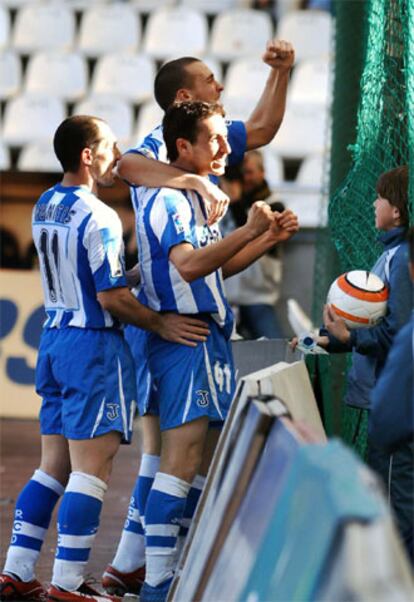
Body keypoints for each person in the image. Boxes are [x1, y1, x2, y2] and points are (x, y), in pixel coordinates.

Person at [102, 41, 295, 596]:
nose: (222, 90)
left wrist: (283, 74)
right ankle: (156, 580)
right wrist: (195, 183)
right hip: (177, 329)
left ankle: (141, 566)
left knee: (176, 458)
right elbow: (128, 167)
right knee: (171, 459)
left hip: (196, 329)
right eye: (213, 81)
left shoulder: (197, 161)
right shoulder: (163, 175)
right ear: (185, 102)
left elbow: (261, 130)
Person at [0, 115, 210, 602]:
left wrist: (136, 274)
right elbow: (110, 297)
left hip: (53, 341)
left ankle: (17, 570)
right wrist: (161, 323)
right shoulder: (101, 216)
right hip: (93, 347)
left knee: (51, 466)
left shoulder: (45, 204)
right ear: (88, 156)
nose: (120, 156)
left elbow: (92, 277)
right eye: (111, 147)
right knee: (91, 471)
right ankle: (69, 583)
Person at [297, 166, 412, 561]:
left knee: (398, 512)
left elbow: (398, 334)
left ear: (397, 210)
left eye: (379, 197)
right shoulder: (390, 255)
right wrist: (323, 342)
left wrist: (352, 338)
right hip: (386, 402)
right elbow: (371, 333)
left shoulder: (402, 260)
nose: (373, 203)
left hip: (397, 404)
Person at [368, 226, 414, 562]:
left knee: (399, 526)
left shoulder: (410, 338)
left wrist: (352, 337)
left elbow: (386, 420)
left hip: (403, 456)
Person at [226, 150, 286, 339]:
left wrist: (235, 202)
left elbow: (252, 232)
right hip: (226, 298)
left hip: (258, 298)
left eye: (250, 172)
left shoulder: (274, 205)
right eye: (241, 173)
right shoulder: (223, 204)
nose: (245, 178)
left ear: (263, 172)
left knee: (274, 350)